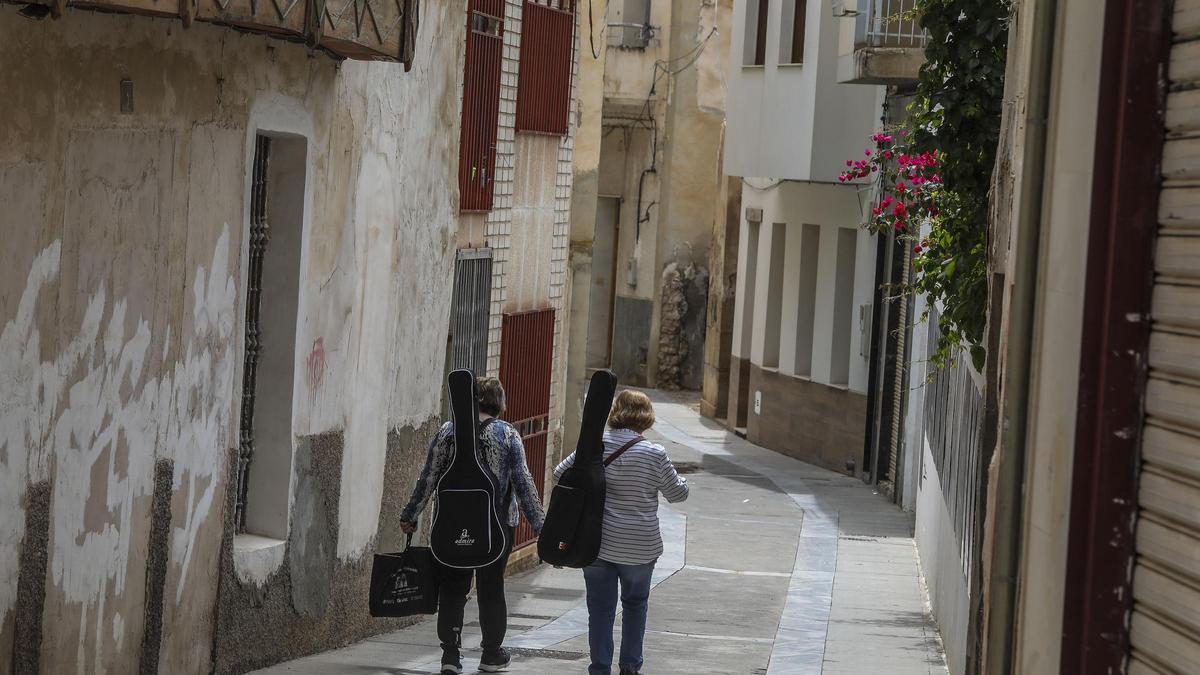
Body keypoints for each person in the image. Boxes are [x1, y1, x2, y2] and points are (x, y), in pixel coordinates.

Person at [400, 376, 545, 675]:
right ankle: (491, 654)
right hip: (496, 528)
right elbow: (523, 484)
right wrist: (541, 527)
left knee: (453, 588)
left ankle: (450, 656)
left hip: (451, 526)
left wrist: (410, 514)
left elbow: (428, 477)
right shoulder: (507, 435)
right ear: (499, 403)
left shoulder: (447, 432)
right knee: (492, 589)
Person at [552, 390, 689, 675]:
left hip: (596, 543)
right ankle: (630, 667)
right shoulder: (654, 454)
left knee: (600, 610)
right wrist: (682, 480)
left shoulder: (594, 446)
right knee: (635, 604)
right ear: (647, 418)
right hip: (639, 547)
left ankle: (600, 668)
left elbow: (559, 473)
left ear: (616, 413)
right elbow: (677, 494)